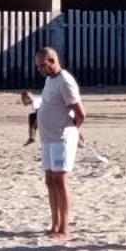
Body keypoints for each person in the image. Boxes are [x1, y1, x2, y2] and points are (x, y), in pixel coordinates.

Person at [20, 48, 83, 238]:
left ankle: (65, 227)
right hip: (47, 138)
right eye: (38, 66)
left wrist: (74, 130)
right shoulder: (50, 80)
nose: (40, 70)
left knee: (61, 180)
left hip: (61, 137)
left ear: (53, 60)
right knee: (50, 180)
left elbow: (80, 112)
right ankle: (55, 223)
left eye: (43, 65)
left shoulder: (65, 81)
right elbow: (48, 103)